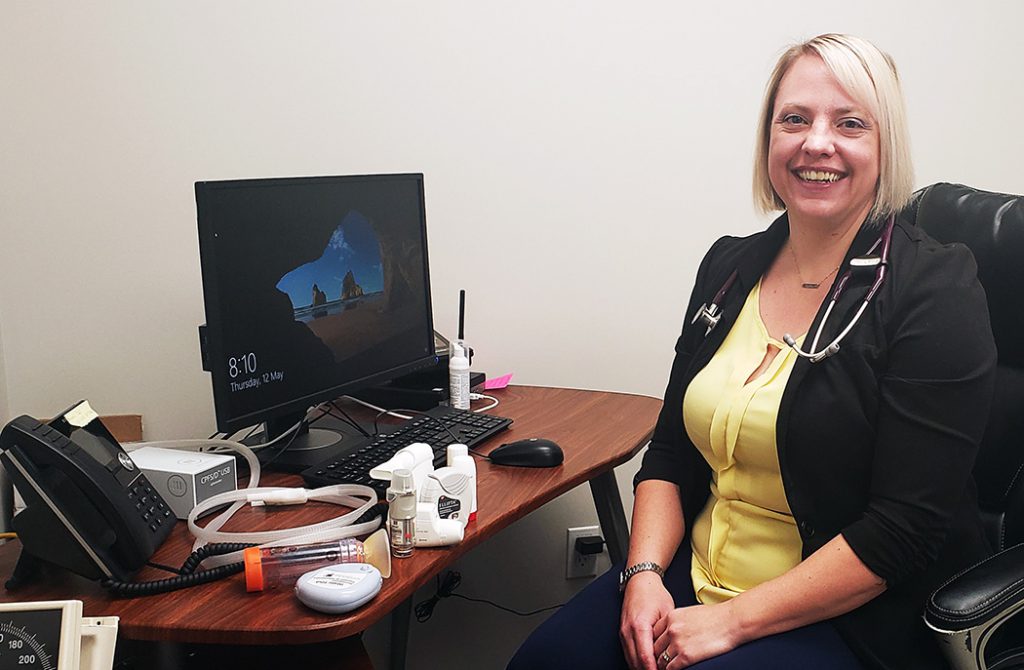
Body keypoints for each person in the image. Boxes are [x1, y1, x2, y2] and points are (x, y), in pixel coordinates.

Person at [508, 34, 995, 670]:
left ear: (885, 145)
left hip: (848, 615)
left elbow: (902, 530)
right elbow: (672, 451)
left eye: (850, 123)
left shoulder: (935, 289)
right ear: (769, 138)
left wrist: (730, 623)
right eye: (795, 119)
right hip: (694, 578)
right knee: (545, 661)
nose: (817, 142)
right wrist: (645, 575)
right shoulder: (730, 267)